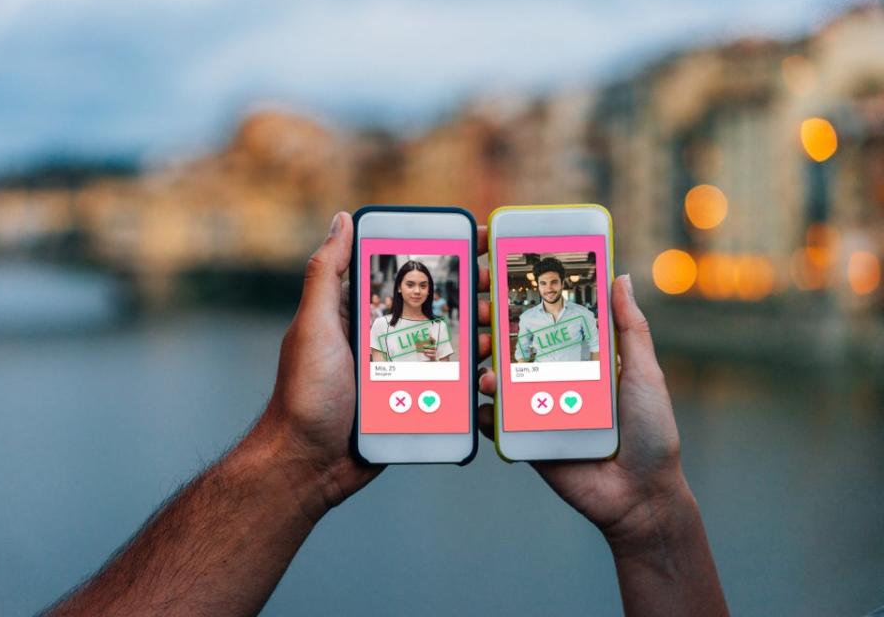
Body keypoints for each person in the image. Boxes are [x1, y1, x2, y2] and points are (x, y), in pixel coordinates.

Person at [42, 213, 729, 617]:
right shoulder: (382, 337)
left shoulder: (509, 324)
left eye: (428, 281)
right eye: (409, 278)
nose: (419, 284)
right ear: (393, 285)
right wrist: (299, 455)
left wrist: (649, 509)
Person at [514, 256, 599, 363]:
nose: (549, 289)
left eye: (554, 282)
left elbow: (596, 346)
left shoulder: (583, 314)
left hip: (573, 377)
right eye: (543, 283)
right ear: (538, 286)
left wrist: (594, 377)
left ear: (562, 284)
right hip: (541, 377)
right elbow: (522, 354)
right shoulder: (527, 318)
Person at [369, 260, 453, 362]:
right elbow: (380, 373)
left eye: (423, 286)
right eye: (410, 285)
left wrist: (433, 360)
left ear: (428, 290)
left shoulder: (439, 326)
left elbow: (446, 374)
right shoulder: (381, 325)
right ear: (399, 287)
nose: (417, 291)